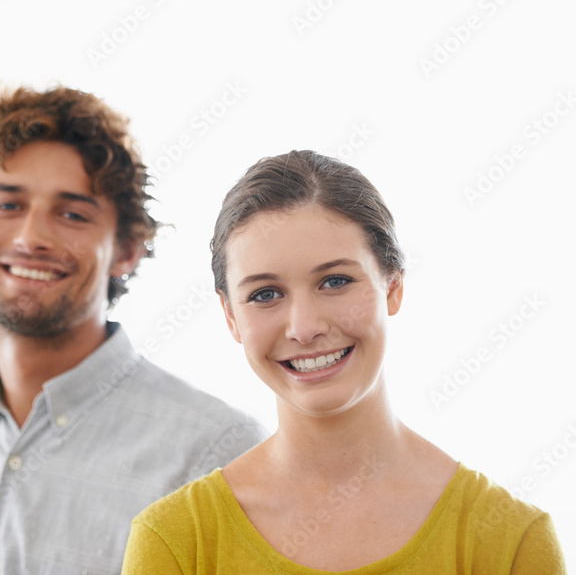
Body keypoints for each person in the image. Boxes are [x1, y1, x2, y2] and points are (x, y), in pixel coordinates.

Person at [122, 150, 567, 574]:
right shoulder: (176, 540)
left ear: (392, 286)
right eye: (265, 294)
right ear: (230, 316)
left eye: (335, 281)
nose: (303, 327)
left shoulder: (510, 540)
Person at [0, 86, 266, 574]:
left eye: (72, 214)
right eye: (7, 206)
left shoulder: (217, 452)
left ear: (127, 249)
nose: (31, 237)